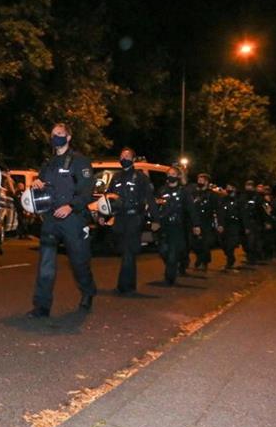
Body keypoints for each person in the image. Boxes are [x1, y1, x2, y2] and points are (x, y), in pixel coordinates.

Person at [26, 123, 97, 317]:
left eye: (59, 134)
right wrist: (36, 184)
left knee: (79, 261)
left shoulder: (80, 161)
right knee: (46, 263)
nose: (55, 137)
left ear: (68, 137)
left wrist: (71, 206)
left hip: (73, 219)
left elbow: (87, 191)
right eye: (53, 134)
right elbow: (41, 186)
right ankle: (42, 306)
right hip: (50, 219)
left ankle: (88, 291)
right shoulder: (48, 164)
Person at [106, 147, 159, 296]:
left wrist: (156, 219)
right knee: (122, 250)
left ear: (133, 159)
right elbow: (109, 197)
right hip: (120, 219)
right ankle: (127, 285)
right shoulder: (116, 177)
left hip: (134, 218)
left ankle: (125, 287)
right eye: (122, 155)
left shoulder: (141, 178)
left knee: (129, 252)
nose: (124, 158)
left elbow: (150, 198)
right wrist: (104, 214)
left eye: (127, 156)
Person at [155, 167, 200, 285]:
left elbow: (191, 209)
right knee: (163, 250)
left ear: (178, 176)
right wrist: (155, 220)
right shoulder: (162, 190)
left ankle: (170, 277)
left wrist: (196, 224)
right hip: (164, 225)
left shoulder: (183, 192)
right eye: (169, 174)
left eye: (173, 174)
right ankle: (173, 265)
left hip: (177, 226)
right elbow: (155, 207)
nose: (171, 176)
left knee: (172, 253)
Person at [189, 173, 219, 272]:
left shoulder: (212, 195)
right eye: (198, 180)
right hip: (195, 221)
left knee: (205, 244)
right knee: (195, 244)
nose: (199, 182)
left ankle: (204, 261)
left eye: (201, 180)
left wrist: (219, 223)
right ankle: (199, 257)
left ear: (206, 182)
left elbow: (217, 209)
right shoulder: (194, 193)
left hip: (206, 222)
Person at [216, 182, 244, 270]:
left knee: (231, 244)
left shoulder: (239, 200)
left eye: (230, 187)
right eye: (227, 187)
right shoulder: (223, 199)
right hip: (225, 224)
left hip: (235, 225)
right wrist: (220, 224)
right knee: (223, 244)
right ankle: (230, 257)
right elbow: (220, 212)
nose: (228, 189)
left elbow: (243, 213)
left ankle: (230, 260)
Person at [241, 180, 264, 265]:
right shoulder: (243, 196)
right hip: (245, 222)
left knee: (252, 241)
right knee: (246, 242)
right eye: (247, 185)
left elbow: (261, 211)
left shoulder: (257, 197)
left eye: (250, 185)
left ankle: (252, 258)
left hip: (255, 222)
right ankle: (250, 256)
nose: (248, 187)